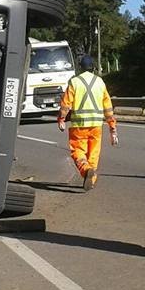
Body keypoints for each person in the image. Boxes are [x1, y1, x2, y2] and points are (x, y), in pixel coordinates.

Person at [58, 55, 119, 191]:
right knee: (93, 153)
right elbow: (108, 108)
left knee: (78, 151)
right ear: (93, 68)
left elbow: (65, 105)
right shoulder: (100, 82)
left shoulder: (74, 82)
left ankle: (86, 170)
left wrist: (61, 119)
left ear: (80, 68)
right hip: (97, 125)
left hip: (79, 126)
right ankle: (92, 177)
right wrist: (112, 128)